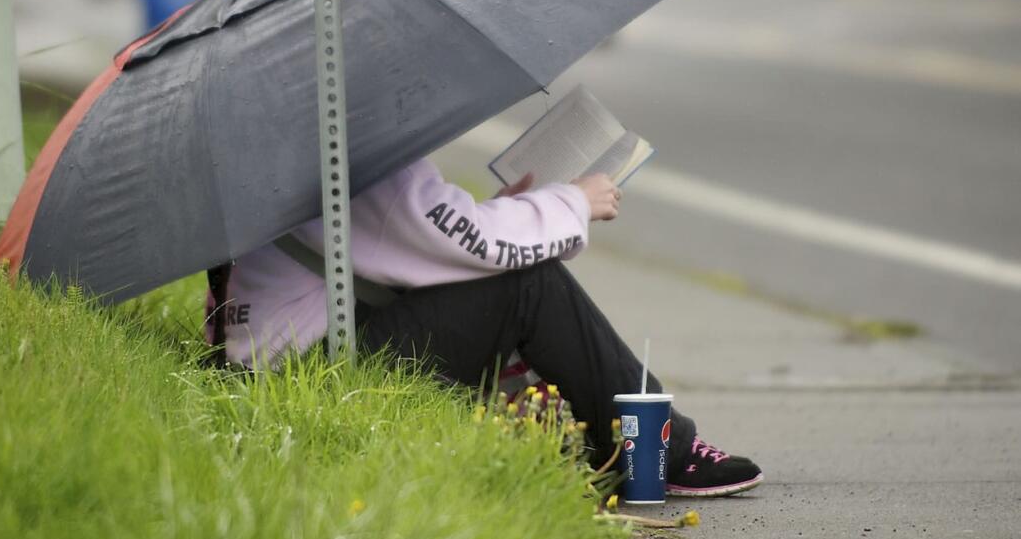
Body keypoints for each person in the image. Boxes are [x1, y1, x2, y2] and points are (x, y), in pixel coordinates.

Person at [205, 158, 763, 497]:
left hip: (282, 365)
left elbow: (404, 242)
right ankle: (657, 452)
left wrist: (496, 217)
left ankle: (606, 442)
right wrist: (572, 201)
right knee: (527, 283)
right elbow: (445, 232)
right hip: (317, 373)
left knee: (508, 278)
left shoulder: (286, 134)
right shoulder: (354, 135)